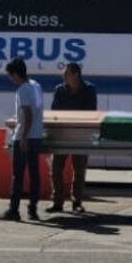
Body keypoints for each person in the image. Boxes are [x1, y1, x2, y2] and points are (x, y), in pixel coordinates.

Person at [47, 62, 97, 213]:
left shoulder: (89, 89)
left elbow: (91, 112)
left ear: (75, 74)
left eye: (66, 73)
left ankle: (77, 202)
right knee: (56, 169)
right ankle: (57, 201)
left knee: (79, 169)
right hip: (61, 134)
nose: (63, 76)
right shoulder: (60, 90)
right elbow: (54, 111)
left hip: (80, 135)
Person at [0, 57, 44, 221]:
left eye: (11, 75)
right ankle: (33, 210)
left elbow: (28, 113)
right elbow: (37, 110)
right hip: (37, 136)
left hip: (25, 137)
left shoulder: (23, 90)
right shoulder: (36, 86)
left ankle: (14, 210)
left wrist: (24, 137)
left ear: (17, 74)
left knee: (18, 175)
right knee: (34, 174)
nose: (11, 79)